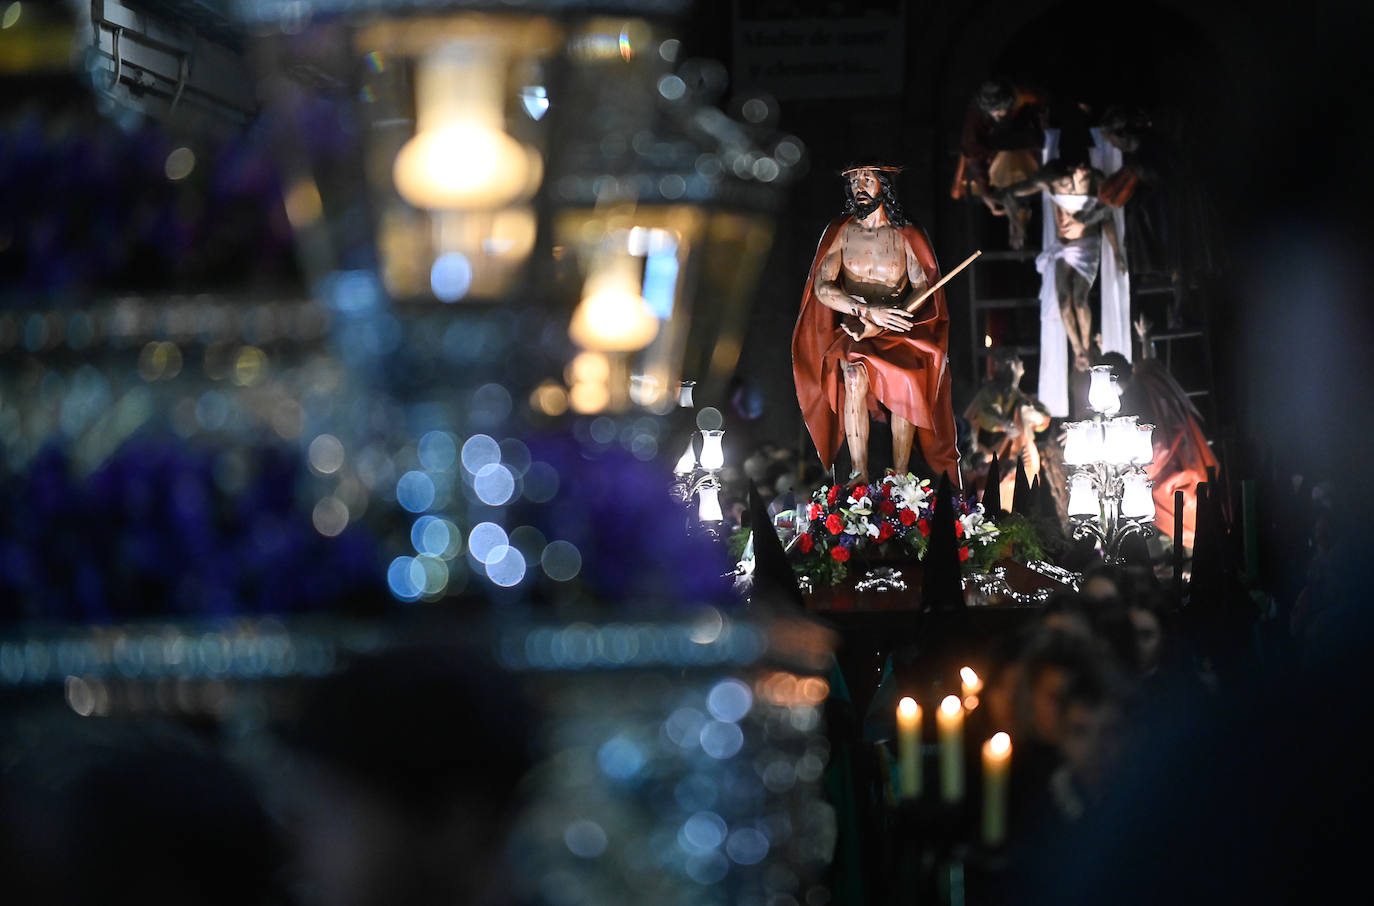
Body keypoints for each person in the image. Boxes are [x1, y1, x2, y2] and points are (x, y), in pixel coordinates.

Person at [792, 162, 961, 487]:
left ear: (884, 185)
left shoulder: (906, 234)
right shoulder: (841, 232)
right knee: (853, 375)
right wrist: (866, 311)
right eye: (855, 180)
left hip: (898, 328)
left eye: (867, 179)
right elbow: (823, 287)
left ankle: (900, 474)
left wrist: (895, 313)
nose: (860, 186)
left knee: (905, 378)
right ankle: (859, 470)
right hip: (857, 327)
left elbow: (922, 286)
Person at [995, 144, 1126, 374]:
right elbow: (1007, 193)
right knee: (1064, 301)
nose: (1081, 171)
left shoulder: (1095, 179)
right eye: (1076, 170)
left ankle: (1086, 346)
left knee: (1080, 300)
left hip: (1086, 244)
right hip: (1062, 246)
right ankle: (1077, 349)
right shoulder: (1050, 178)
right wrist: (1016, 224)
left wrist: (1117, 252)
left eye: (1084, 168)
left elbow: (1107, 214)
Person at [950, 78, 1048, 249]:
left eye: (999, 113)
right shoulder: (977, 113)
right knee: (963, 184)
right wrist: (985, 191)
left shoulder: (1029, 98)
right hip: (994, 154)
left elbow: (1046, 129)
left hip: (1029, 148)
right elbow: (972, 150)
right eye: (993, 114)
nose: (996, 116)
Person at [962, 348, 1052, 507]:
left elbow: (1042, 420)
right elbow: (980, 416)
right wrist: (1002, 423)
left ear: (1020, 370)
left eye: (1014, 364)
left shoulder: (1022, 401)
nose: (1010, 370)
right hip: (991, 457)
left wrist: (1028, 412)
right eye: (1006, 365)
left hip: (1019, 456)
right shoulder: (988, 395)